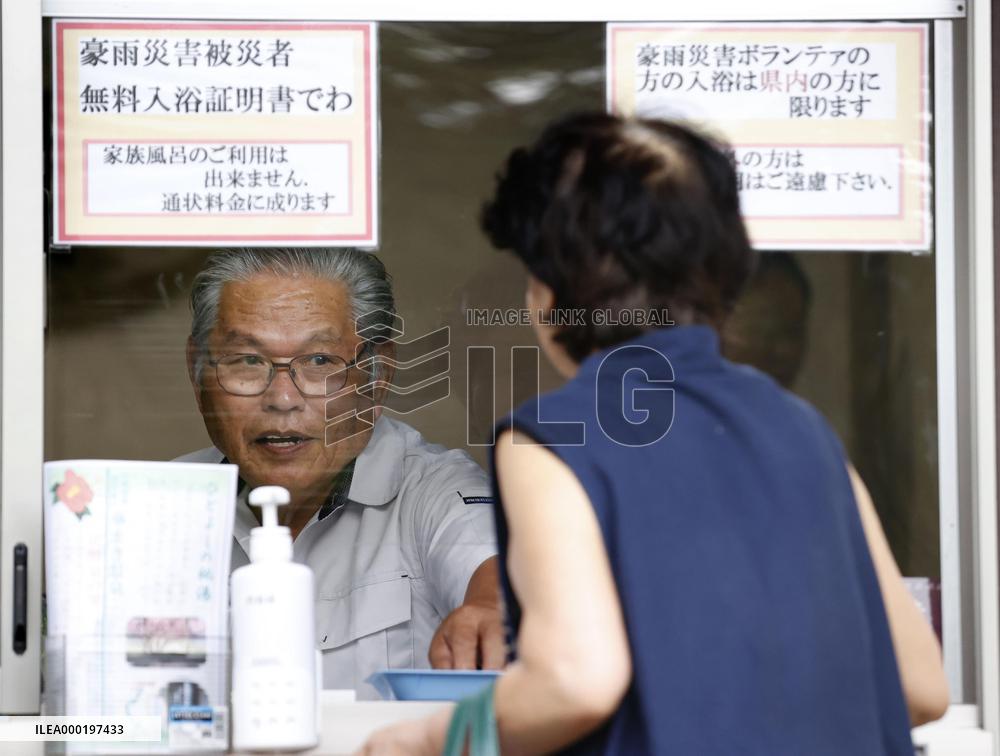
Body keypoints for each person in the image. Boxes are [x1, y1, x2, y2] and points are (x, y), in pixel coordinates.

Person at [358, 112, 949, 754]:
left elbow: (575, 682)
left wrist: (418, 740)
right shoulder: (803, 427)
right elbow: (921, 686)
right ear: (722, 276)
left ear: (545, 292)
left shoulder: (554, 436)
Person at [177, 248, 504, 698]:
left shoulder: (431, 491)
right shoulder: (155, 509)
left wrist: (494, 607)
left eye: (319, 362)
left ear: (378, 376)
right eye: (248, 361)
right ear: (199, 374)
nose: (283, 399)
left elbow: (491, 565)